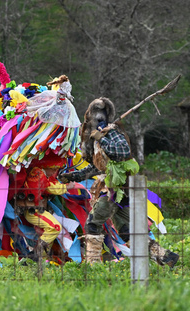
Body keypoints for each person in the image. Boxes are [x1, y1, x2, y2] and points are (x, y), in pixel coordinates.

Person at [58, 97, 179, 267]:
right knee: (126, 232)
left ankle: (93, 265)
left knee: (93, 223)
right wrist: (73, 177)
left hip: (115, 189)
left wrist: (102, 137)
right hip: (117, 190)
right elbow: (98, 168)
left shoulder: (112, 132)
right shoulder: (100, 137)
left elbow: (122, 152)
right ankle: (166, 257)